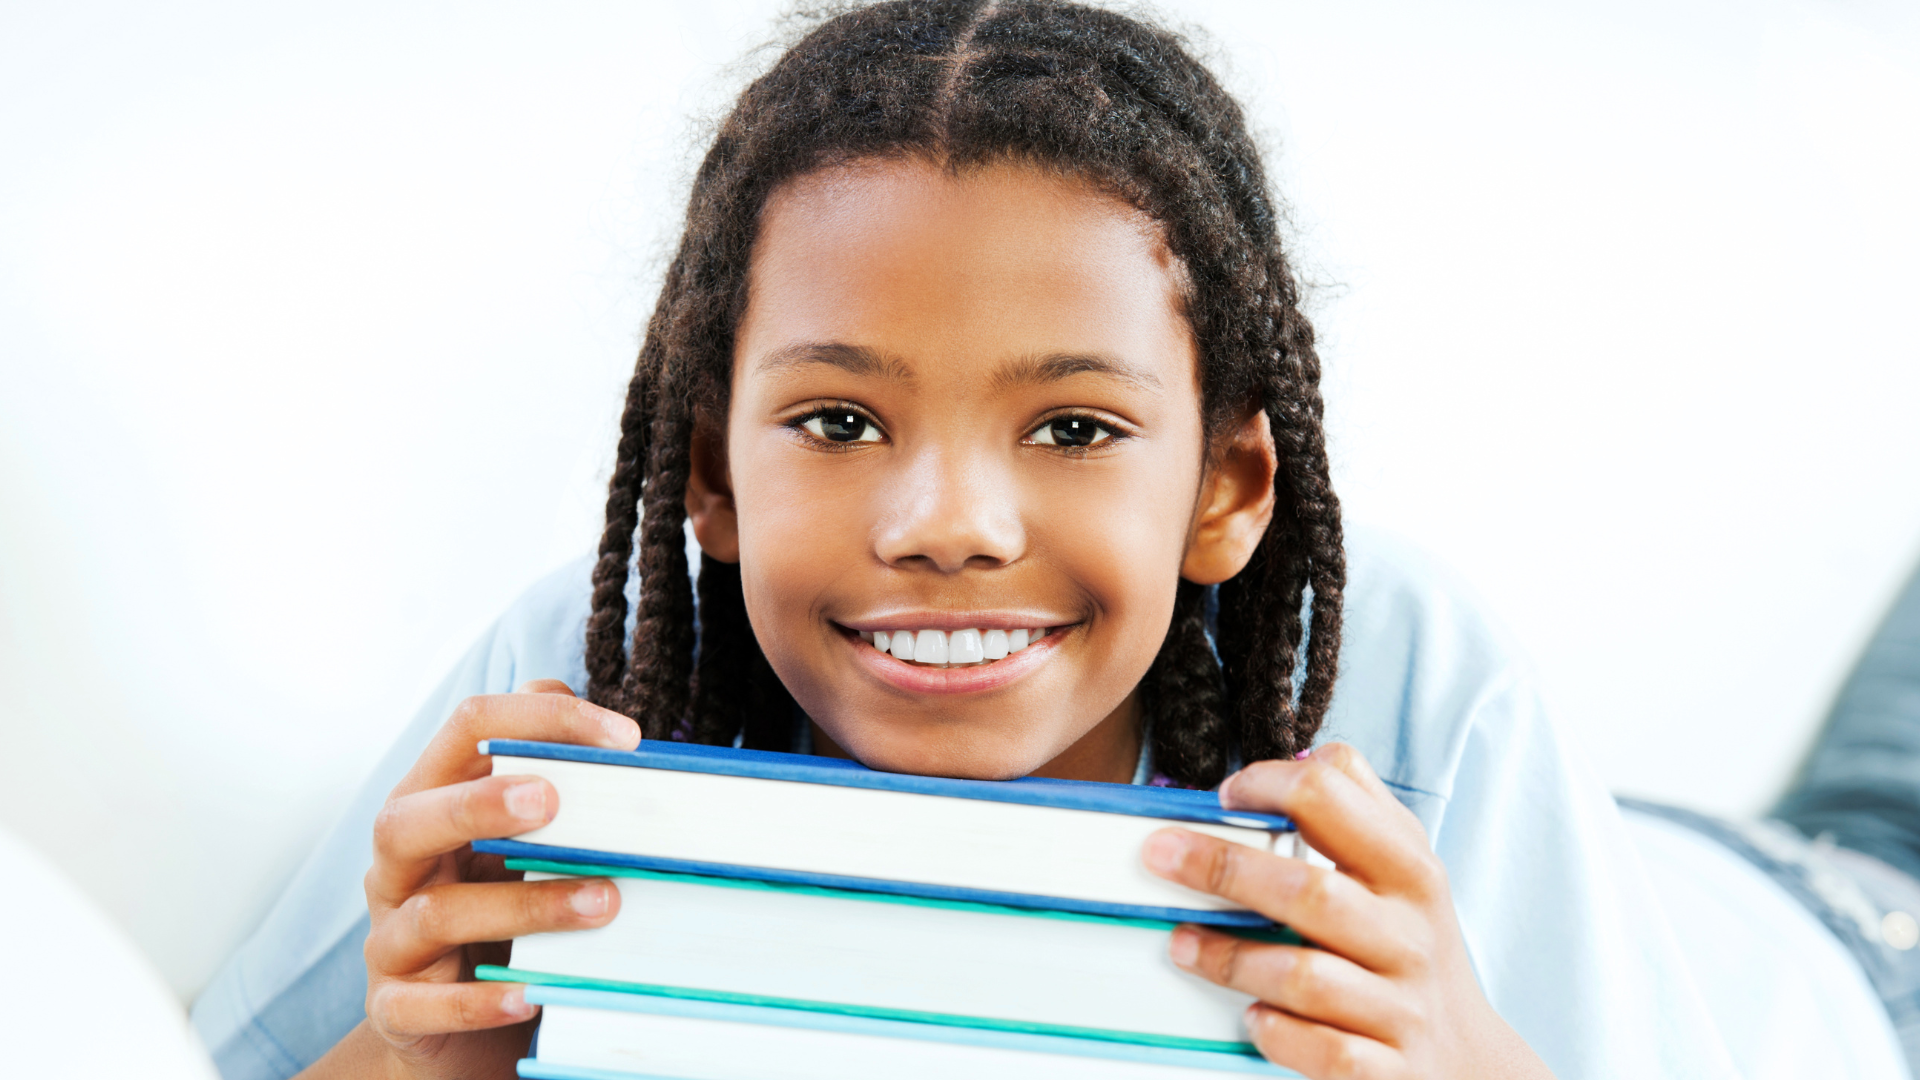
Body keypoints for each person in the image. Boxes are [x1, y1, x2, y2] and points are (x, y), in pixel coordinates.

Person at [183, 3, 1915, 1078]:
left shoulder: (1401, 682)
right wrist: (413, 1064)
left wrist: (1457, 1059)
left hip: (1824, 948)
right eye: (838, 421)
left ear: (1228, 489)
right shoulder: (588, 687)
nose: (947, 525)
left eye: (1075, 428)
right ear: (709, 473)